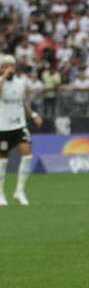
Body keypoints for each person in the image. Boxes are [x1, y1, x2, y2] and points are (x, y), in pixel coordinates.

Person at [0, 55, 43, 206]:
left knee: (27, 155)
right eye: (5, 66)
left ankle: (19, 191)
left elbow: (22, 101)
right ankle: (0, 193)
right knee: (2, 160)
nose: (9, 68)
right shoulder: (1, 82)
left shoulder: (20, 83)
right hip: (3, 127)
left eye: (11, 65)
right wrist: (4, 76)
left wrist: (33, 114)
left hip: (19, 125)